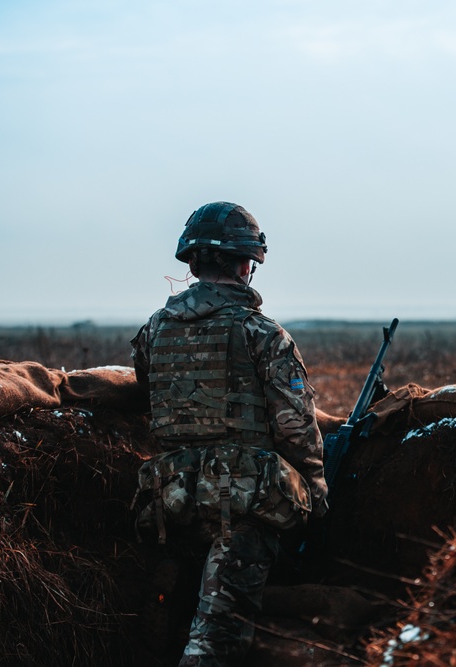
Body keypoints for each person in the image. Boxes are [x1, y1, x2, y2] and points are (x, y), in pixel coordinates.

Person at [131, 201, 328, 667]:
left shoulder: (154, 330)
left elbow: (149, 394)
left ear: (194, 263)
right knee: (215, 644)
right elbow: (296, 428)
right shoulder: (262, 333)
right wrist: (316, 495)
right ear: (246, 264)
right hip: (242, 508)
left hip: (170, 503)